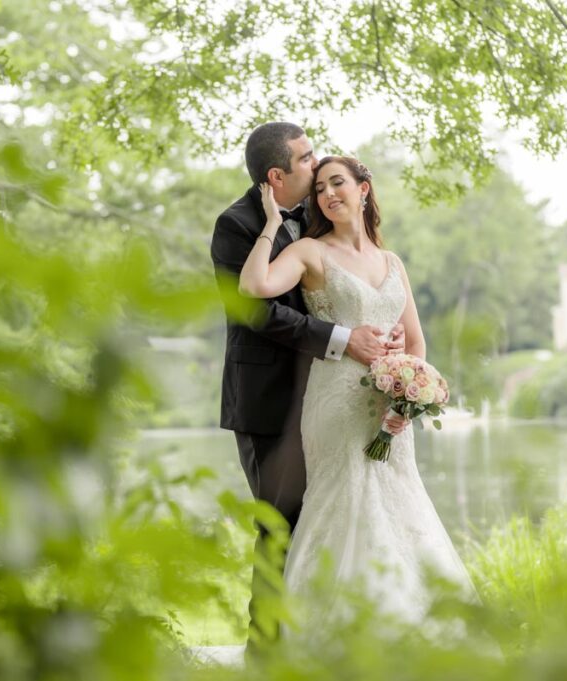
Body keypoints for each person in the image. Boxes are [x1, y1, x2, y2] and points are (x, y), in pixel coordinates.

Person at [238, 154, 477, 632]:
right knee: (346, 501)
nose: (328, 194)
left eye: (338, 183)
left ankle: (409, 631)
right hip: (337, 403)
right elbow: (253, 285)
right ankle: (333, 633)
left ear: (364, 189)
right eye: (320, 189)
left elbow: (414, 339)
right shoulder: (309, 251)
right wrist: (269, 223)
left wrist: (410, 394)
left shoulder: (392, 262)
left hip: (391, 406)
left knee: (399, 501)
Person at [210, 123, 405, 651]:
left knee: (342, 521)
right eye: (307, 160)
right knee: (282, 527)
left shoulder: (324, 224)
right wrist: (345, 339)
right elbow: (256, 312)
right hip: (271, 402)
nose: (318, 170)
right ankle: (266, 653)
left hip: (339, 403)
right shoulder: (236, 225)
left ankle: (338, 641)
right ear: (277, 175)